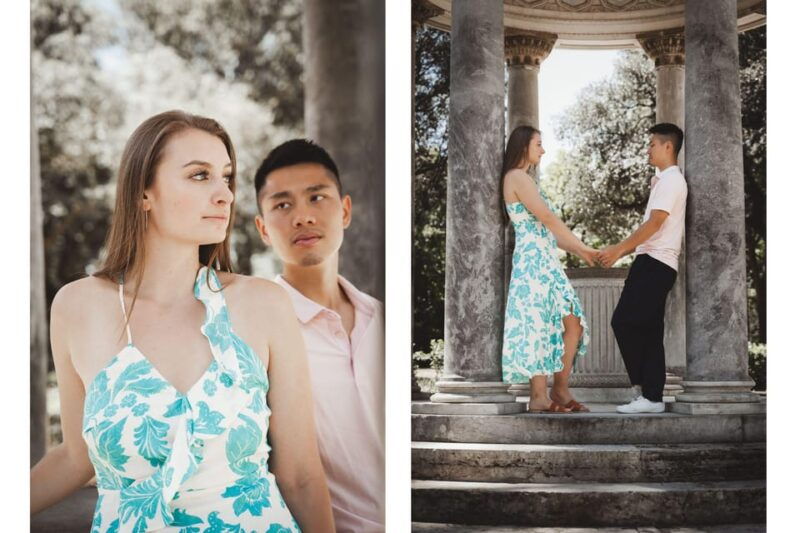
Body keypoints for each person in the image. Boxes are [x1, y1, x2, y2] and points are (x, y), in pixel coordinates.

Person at [30, 111, 335, 532]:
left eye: (226, 177)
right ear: (143, 194)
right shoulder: (76, 306)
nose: (225, 194)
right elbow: (75, 457)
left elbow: (300, 473)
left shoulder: (264, 304)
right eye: (199, 176)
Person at [253, 139, 385, 532]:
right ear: (262, 229)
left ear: (344, 210)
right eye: (282, 204)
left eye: (316, 197)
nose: (302, 217)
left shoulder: (384, 320)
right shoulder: (255, 334)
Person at [501, 125, 595, 414]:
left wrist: (583, 251)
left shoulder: (526, 179)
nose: (543, 150)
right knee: (538, 324)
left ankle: (561, 389)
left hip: (546, 261)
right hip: (533, 262)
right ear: (523, 146)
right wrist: (584, 249)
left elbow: (550, 229)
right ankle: (539, 396)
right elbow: (547, 217)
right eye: (538, 144)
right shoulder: (516, 177)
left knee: (573, 323)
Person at [598, 122, 687, 415]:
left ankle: (648, 393)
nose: (647, 149)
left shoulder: (672, 181)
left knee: (624, 322)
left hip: (655, 262)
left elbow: (654, 223)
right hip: (655, 263)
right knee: (648, 330)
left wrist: (618, 250)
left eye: (651, 144)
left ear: (667, 147)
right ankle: (651, 396)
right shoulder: (665, 181)